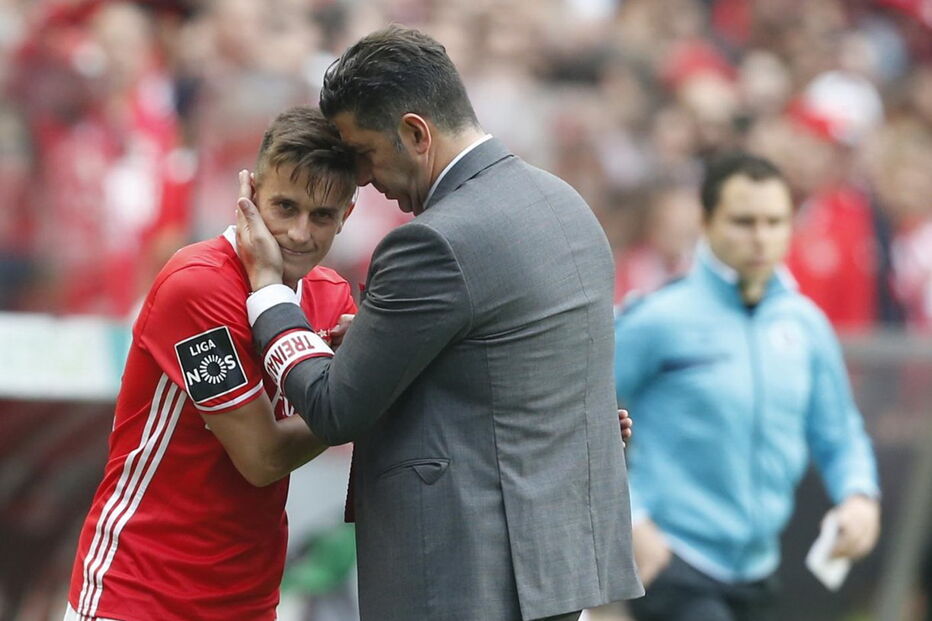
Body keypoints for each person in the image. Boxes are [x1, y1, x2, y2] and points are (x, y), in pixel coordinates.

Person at [235, 25, 643, 621]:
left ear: (415, 133)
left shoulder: (434, 241)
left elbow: (332, 408)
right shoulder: (566, 204)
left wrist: (270, 294)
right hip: (553, 569)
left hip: (461, 575)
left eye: (365, 154)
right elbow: (515, 368)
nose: (366, 178)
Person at [65, 105, 358, 621]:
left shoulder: (332, 297)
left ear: (347, 215)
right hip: (139, 592)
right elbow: (261, 458)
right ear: (248, 194)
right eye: (284, 207)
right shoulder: (198, 284)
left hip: (247, 601)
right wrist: (359, 389)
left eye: (323, 215)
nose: (298, 233)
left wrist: (358, 379)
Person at [614, 152, 881, 621]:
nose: (761, 237)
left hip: (763, 566)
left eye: (775, 221)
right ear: (706, 219)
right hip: (675, 563)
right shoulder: (657, 320)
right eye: (743, 221)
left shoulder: (805, 325)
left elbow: (839, 434)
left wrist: (859, 496)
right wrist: (630, 520)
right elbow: (572, 422)